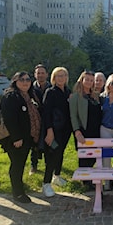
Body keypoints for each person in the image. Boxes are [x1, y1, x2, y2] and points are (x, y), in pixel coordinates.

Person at [1, 71, 42, 203]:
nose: (25, 82)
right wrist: (16, 138)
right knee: (17, 165)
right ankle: (17, 193)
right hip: (16, 139)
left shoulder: (29, 95)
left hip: (27, 137)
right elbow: (10, 119)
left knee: (21, 163)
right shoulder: (11, 96)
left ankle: (19, 186)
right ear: (15, 81)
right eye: (22, 79)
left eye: (27, 80)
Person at [41, 67, 73, 197]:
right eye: (58, 76)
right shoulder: (50, 92)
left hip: (65, 129)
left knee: (60, 152)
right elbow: (46, 113)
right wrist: (49, 131)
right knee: (52, 155)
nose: (61, 78)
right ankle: (46, 183)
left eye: (63, 75)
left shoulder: (67, 91)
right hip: (53, 129)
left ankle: (57, 175)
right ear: (54, 78)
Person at [69, 70, 102, 189]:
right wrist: (77, 131)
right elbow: (73, 115)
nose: (89, 82)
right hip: (83, 130)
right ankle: (85, 180)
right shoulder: (75, 96)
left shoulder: (95, 95)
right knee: (85, 156)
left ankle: (88, 176)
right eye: (86, 79)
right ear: (82, 80)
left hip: (96, 130)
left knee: (94, 155)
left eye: (91, 80)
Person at [29, 64, 51, 175]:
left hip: (48, 119)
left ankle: (50, 165)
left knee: (49, 143)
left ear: (47, 74)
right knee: (34, 143)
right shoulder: (30, 88)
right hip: (35, 120)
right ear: (35, 75)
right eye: (38, 73)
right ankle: (33, 165)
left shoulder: (51, 87)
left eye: (43, 73)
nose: (40, 75)